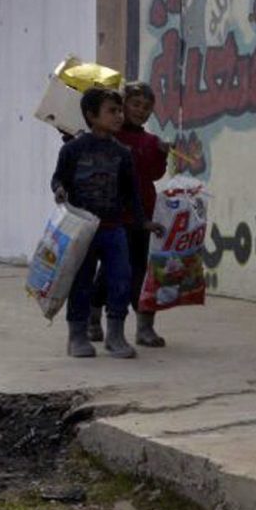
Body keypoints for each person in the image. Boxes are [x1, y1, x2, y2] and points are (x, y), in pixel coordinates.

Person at [52, 87, 140, 359]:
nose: (119, 116)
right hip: (83, 230)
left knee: (121, 279)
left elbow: (131, 192)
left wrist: (142, 221)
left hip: (114, 229)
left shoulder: (123, 153)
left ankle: (115, 336)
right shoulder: (72, 149)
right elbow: (58, 178)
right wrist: (59, 190)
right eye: (112, 111)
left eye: (120, 111)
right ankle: (77, 336)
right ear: (91, 116)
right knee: (81, 281)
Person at [111, 81, 170, 348]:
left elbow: (154, 174)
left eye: (146, 107)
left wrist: (161, 155)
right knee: (112, 272)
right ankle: (93, 320)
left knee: (141, 273)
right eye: (135, 104)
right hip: (112, 216)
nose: (140, 111)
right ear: (122, 104)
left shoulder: (150, 141)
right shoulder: (109, 137)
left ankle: (145, 327)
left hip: (143, 217)